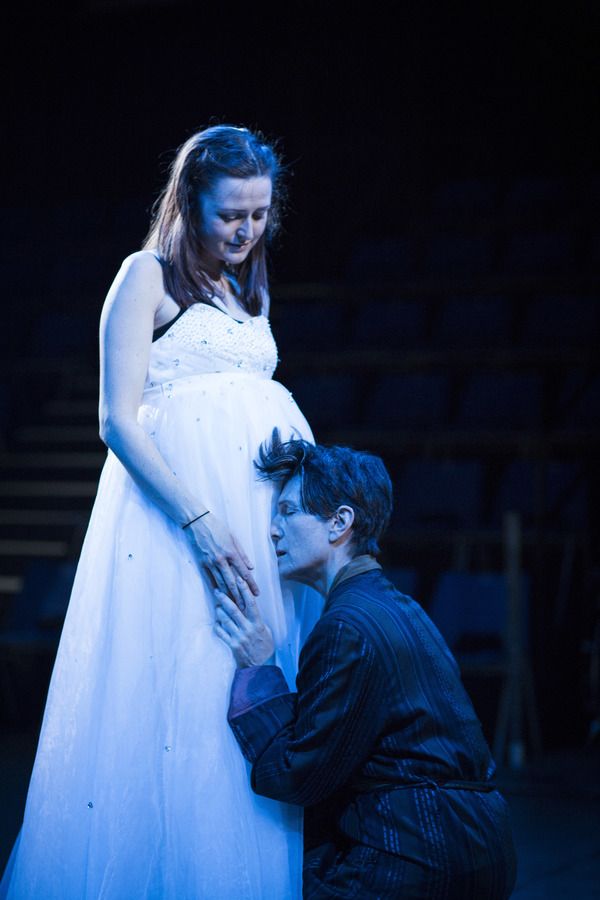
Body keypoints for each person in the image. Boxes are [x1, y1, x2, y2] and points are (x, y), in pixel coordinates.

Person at [0, 126, 321, 899]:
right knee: (183, 698)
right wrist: (200, 522)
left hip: (257, 523)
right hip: (178, 525)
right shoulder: (144, 276)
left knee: (254, 690)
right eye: (230, 216)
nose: (246, 231)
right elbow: (117, 420)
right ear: (189, 204)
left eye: (258, 215)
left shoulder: (252, 283)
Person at [215, 434, 518, 899]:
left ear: (339, 523)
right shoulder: (399, 606)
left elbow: (300, 775)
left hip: (419, 850)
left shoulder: (346, 626)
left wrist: (261, 668)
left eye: (288, 512)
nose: (273, 530)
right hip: (479, 843)